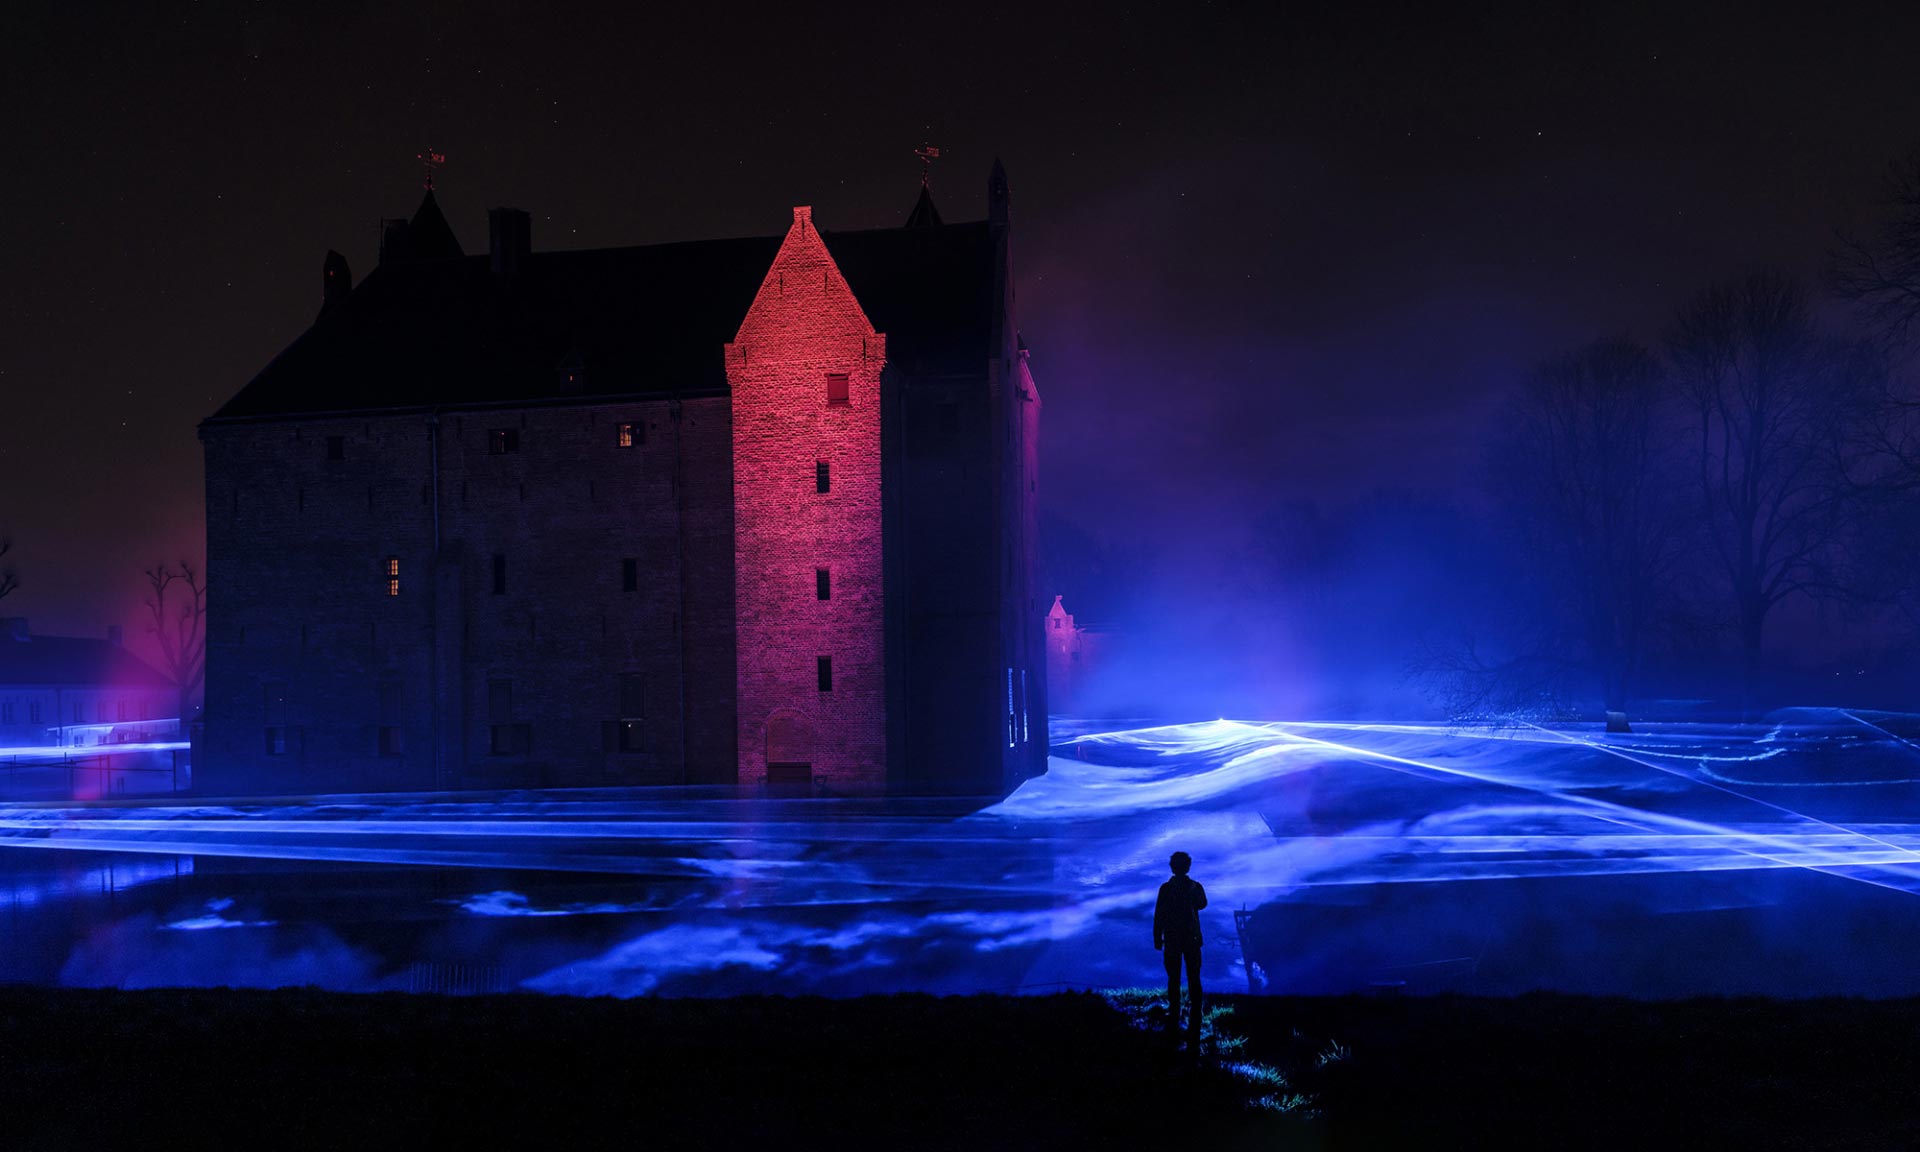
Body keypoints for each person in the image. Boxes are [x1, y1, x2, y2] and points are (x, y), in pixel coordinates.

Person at [1153, 850, 1207, 1048]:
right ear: (1188, 867)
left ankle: (1175, 1012)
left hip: (1173, 939)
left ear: (1172, 867)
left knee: (1174, 978)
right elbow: (1203, 904)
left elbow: (1158, 914)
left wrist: (1157, 937)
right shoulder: (1195, 887)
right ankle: (1195, 1012)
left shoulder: (1166, 889)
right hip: (1191, 938)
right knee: (1194, 976)